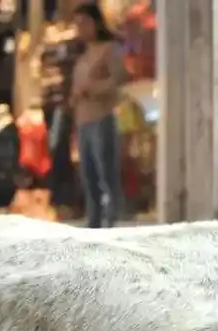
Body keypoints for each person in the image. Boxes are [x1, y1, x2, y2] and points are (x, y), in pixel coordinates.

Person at [70, 2, 127, 228]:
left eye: (83, 23)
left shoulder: (109, 50)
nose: (79, 29)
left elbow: (118, 81)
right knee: (88, 176)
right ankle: (93, 221)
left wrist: (91, 89)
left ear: (94, 22)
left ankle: (113, 219)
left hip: (101, 118)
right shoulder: (83, 57)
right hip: (83, 121)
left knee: (106, 174)